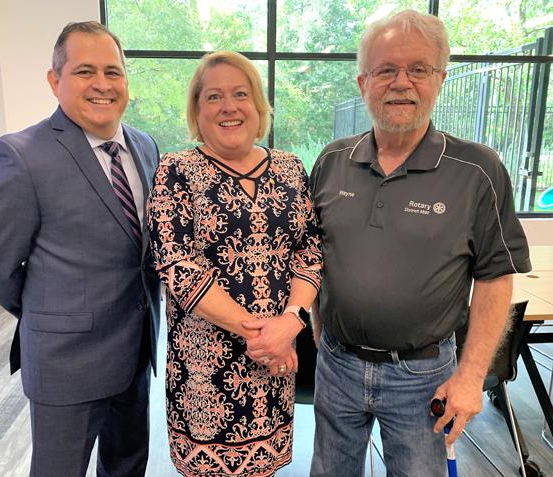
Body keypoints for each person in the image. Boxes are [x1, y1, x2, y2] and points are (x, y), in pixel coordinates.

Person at [309, 9, 531, 477]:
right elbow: (311, 256)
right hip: (337, 365)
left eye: (418, 69)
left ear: (440, 79)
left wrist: (471, 376)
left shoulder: (478, 171)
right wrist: (319, 330)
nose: (401, 83)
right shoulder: (331, 161)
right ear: (363, 82)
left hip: (423, 376)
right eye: (386, 70)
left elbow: (495, 278)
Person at [0, 21, 161, 477]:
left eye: (113, 71)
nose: (102, 84)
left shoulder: (145, 146)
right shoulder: (19, 155)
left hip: (136, 353)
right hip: (66, 363)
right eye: (84, 71)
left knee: (128, 466)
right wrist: (46, 309)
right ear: (54, 80)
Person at [147, 50, 322, 477]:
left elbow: (310, 249)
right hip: (205, 372)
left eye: (241, 94)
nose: (229, 106)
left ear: (258, 105)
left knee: (265, 467)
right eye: (214, 96)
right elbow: (177, 265)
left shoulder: (290, 168)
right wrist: (264, 335)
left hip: (276, 363)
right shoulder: (176, 171)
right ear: (197, 110)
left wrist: (291, 321)